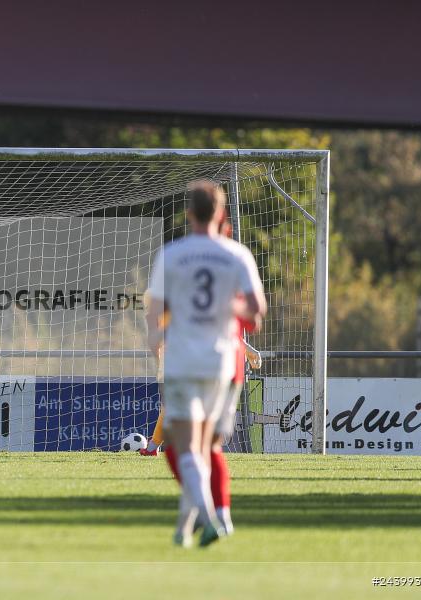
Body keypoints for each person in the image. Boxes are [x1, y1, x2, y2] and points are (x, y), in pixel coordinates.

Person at [145, 181, 265, 547]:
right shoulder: (237, 254)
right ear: (221, 213)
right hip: (220, 363)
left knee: (184, 449)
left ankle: (211, 518)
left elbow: (155, 314)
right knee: (205, 449)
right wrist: (232, 308)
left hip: (182, 360)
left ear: (188, 214)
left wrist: (156, 347)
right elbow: (257, 314)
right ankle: (186, 529)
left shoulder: (172, 253)